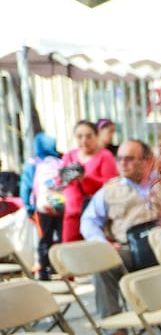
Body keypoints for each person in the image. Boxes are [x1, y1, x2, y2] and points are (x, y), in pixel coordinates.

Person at [80, 139, 161, 335]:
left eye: (130, 158)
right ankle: (115, 330)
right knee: (103, 265)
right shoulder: (110, 189)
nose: (123, 163)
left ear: (147, 161)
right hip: (128, 251)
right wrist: (102, 243)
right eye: (120, 158)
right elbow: (88, 221)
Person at [59, 119, 117, 243]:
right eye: (80, 137)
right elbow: (60, 180)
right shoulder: (69, 156)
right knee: (70, 252)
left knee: (97, 253)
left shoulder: (105, 156)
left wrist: (85, 178)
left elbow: (112, 185)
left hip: (96, 215)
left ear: (97, 136)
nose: (84, 140)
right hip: (72, 213)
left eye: (89, 136)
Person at [19, 131, 64, 280]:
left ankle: (44, 271)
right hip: (61, 206)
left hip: (43, 207)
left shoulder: (33, 163)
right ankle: (64, 269)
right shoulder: (59, 161)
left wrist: (28, 206)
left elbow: (26, 186)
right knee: (63, 238)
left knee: (45, 238)